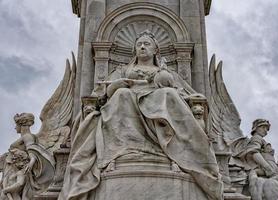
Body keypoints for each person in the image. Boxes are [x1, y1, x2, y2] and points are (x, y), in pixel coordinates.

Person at [59, 31, 223, 200]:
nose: (142, 47)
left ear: (156, 50)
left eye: (147, 44)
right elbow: (102, 93)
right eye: (139, 44)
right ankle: (121, 153)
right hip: (128, 101)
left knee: (169, 95)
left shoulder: (166, 71)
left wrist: (173, 87)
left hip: (157, 101)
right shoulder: (122, 70)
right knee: (122, 95)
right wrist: (116, 85)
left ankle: (177, 153)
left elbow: (185, 92)